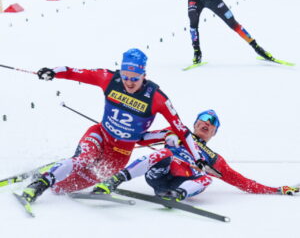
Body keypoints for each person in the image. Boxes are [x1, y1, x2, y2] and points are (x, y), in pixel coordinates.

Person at [21, 48, 202, 204]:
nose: (129, 82)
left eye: (135, 78)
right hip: (100, 134)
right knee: (84, 158)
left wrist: (198, 158)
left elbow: (182, 130)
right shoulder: (109, 79)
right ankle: (39, 184)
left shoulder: (157, 98)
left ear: (144, 76)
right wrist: (53, 72)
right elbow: (77, 72)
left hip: (119, 154)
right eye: (125, 77)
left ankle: (58, 174)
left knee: (60, 189)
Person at [94, 110, 299, 200]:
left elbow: (242, 182)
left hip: (180, 182)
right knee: (164, 153)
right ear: (195, 123)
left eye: (212, 123)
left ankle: (178, 195)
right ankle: (115, 180)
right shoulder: (177, 131)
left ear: (214, 133)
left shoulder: (213, 157)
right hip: (159, 172)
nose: (207, 122)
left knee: (207, 177)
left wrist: (277, 190)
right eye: (203, 118)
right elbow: (139, 138)